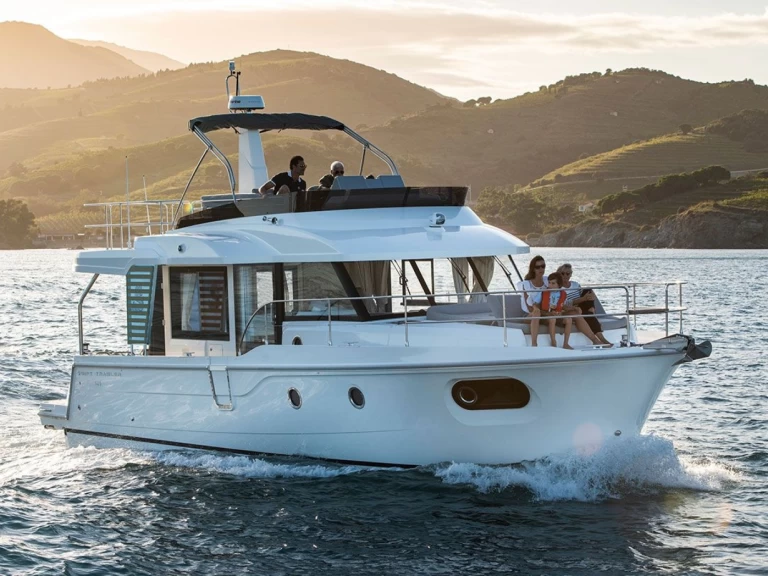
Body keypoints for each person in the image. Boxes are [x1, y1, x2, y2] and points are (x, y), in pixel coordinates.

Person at [557, 263, 612, 346]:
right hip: (570, 308)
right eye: (563, 273)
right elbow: (566, 303)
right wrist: (583, 299)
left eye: (568, 273)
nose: (565, 276)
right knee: (588, 314)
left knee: (588, 290)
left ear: (571, 274)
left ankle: (592, 313)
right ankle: (601, 339)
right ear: (559, 274)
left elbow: (583, 297)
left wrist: (588, 298)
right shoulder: (559, 288)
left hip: (580, 306)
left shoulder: (575, 284)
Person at [519, 256, 548, 346]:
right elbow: (530, 308)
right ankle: (534, 343)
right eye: (537, 267)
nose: (541, 269)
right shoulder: (526, 284)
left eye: (543, 266)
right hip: (529, 315)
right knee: (536, 312)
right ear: (533, 269)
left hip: (545, 313)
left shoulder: (548, 281)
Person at [540, 272, 573, 349]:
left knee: (569, 319)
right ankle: (553, 342)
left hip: (558, 314)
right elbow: (536, 305)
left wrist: (569, 309)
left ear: (559, 284)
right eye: (549, 283)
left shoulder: (563, 294)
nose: (550, 285)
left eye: (553, 283)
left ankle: (566, 344)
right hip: (546, 315)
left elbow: (562, 306)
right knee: (552, 319)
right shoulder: (544, 292)